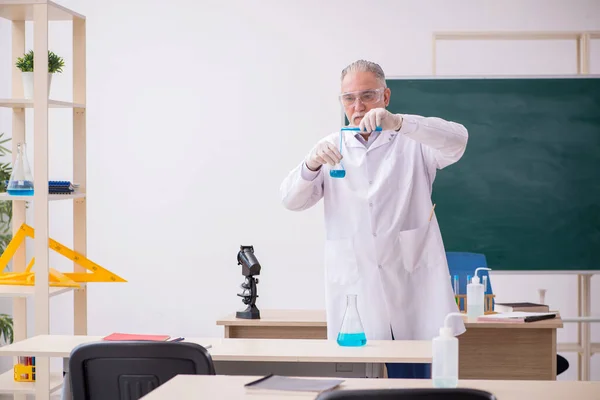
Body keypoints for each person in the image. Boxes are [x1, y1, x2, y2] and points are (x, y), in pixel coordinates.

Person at [279, 60, 469, 379]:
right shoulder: (329, 148)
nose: (358, 106)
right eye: (348, 98)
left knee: (418, 388)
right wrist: (310, 165)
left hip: (414, 291)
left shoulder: (413, 142)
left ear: (386, 96)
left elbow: (458, 140)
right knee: (355, 388)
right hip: (357, 293)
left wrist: (401, 123)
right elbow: (291, 200)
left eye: (367, 95)